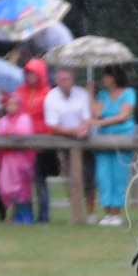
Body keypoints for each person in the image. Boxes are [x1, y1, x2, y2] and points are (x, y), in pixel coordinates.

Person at [44, 66, 95, 220]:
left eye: (68, 79)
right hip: (65, 142)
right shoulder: (51, 97)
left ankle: (91, 213)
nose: (66, 82)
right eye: (62, 80)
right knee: (71, 178)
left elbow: (87, 118)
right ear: (57, 81)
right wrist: (74, 131)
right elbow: (53, 125)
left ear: (72, 79)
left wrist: (84, 128)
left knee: (89, 178)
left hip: (84, 141)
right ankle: (76, 211)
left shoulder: (81, 94)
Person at [92, 65, 137, 226]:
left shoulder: (129, 93)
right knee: (103, 176)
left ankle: (117, 213)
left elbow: (124, 115)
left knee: (119, 175)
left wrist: (100, 122)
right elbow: (96, 114)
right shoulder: (102, 95)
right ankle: (107, 213)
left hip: (123, 139)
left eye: (107, 76)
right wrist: (91, 94)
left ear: (115, 77)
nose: (104, 79)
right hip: (104, 140)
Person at [0, 90, 37, 222]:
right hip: (7, 161)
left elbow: (26, 134)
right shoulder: (3, 120)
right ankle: (16, 214)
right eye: (8, 104)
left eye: (14, 104)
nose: (11, 107)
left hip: (22, 161)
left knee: (22, 188)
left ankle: (26, 215)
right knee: (7, 187)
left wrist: (12, 133)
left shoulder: (24, 118)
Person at [16, 58, 54, 221]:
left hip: (41, 144)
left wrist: (46, 137)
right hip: (23, 143)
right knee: (23, 181)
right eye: (27, 73)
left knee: (40, 180)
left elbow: (51, 118)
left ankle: (44, 214)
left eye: (32, 73)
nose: (29, 76)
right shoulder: (19, 91)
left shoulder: (48, 93)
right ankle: (26, 214)